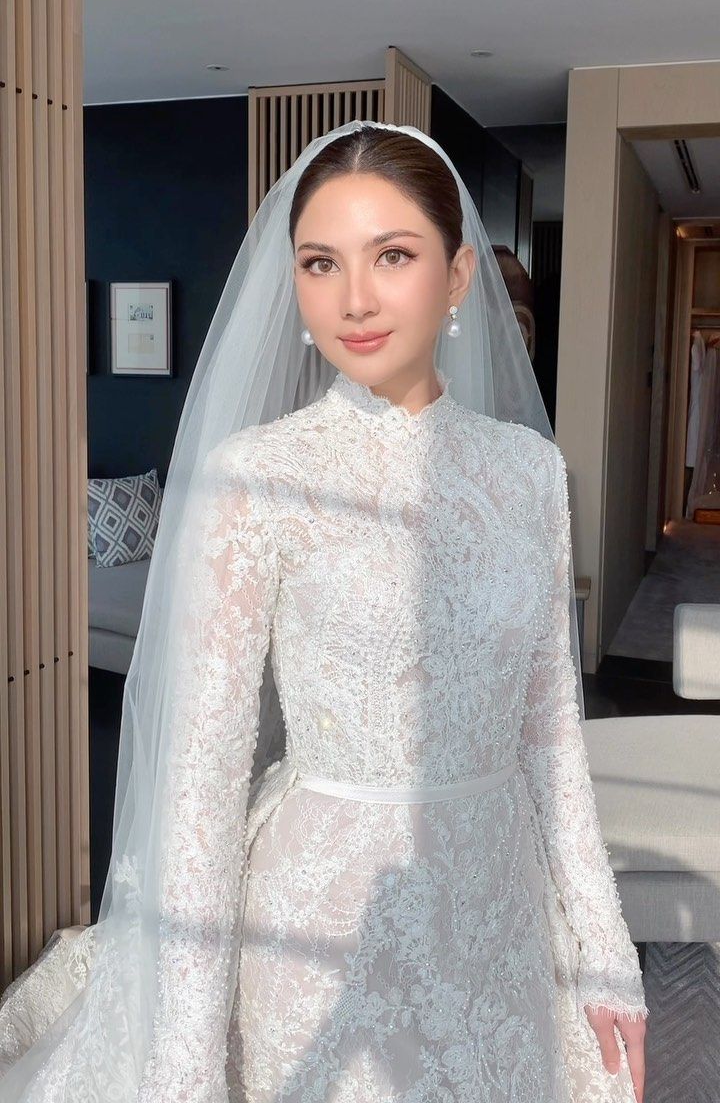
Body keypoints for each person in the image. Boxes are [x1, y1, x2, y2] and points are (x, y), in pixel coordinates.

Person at [0, 122, 647, 1102]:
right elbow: (201, 789)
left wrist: (605, 947)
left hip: (497, 909)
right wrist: (183, 1061)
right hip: (324, 920)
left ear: (459, 273)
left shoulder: (530, 473)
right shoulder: (255, 477)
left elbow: (551, 727)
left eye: (392, 255)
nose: (353, 298)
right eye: (320, 262)